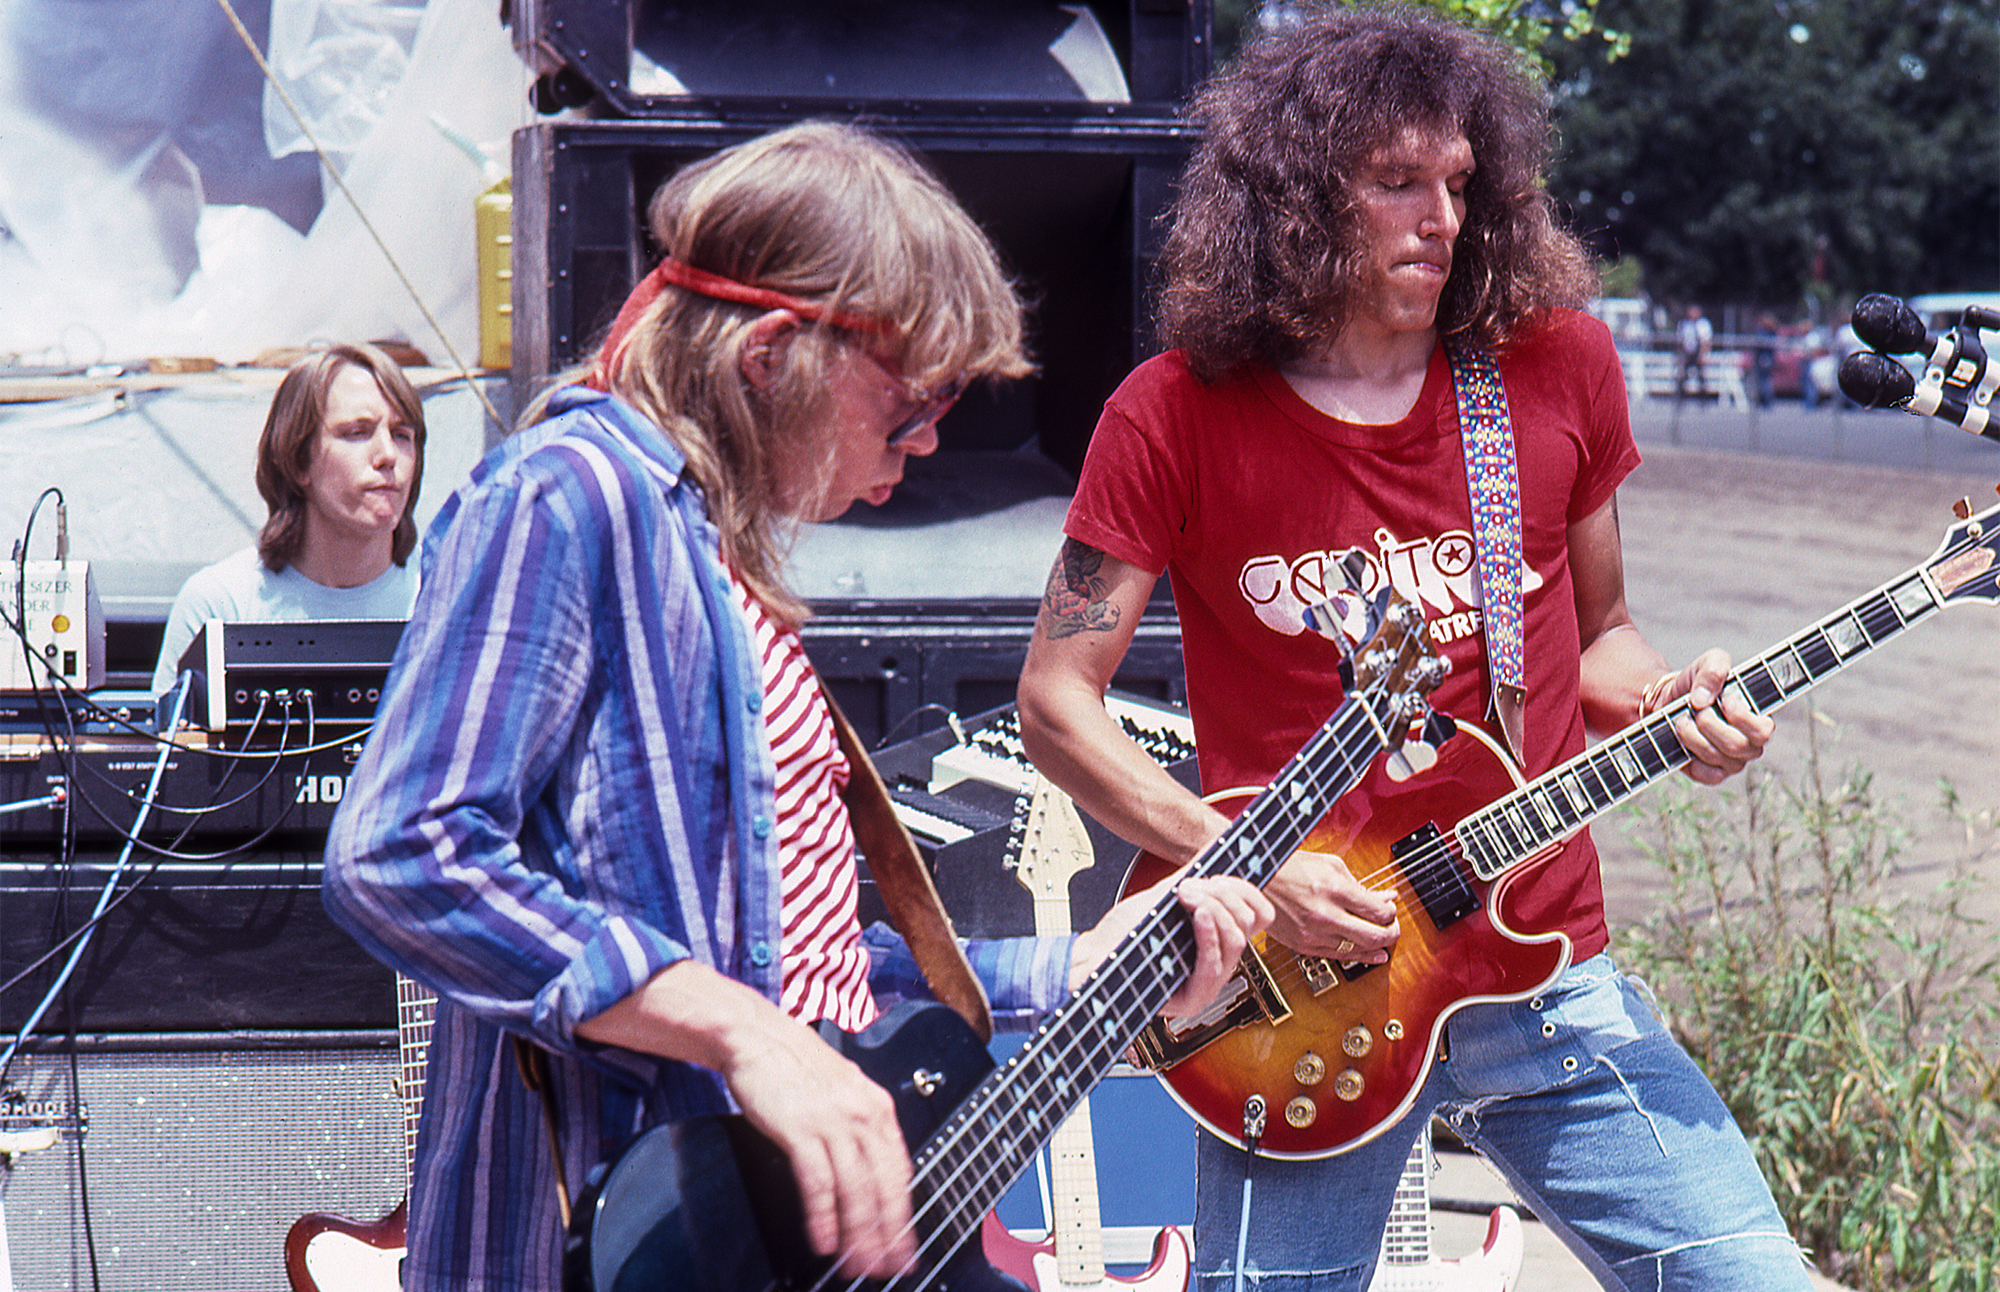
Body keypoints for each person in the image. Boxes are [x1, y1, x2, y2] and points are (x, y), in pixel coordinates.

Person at [319, 121, 1272, 1292]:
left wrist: (1070, 964)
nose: (924, 445)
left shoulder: (714, 558)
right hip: (648, 1233)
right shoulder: (566, 496)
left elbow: (801, 969)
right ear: (770, 353)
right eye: (911, 402)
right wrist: (740, 1031)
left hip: (780, 1227)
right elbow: (398, 854)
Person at [1015, 8, 1811, 1291]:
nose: (1437, 216)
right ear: (1292, 198)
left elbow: (1600, 637)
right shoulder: (1170, 412)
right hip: (1304, 994)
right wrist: (1244, 866)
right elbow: (1057, 700)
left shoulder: (1555, 369)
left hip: (1543, 969)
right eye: (1394, 182)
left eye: (1456, 183)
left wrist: (1674, 703)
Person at [149, 341, 425, 696]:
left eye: (402, 435)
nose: (388, 455)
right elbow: (173, 749)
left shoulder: (448, 597)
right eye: (357, 432)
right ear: (297, 461)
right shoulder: (221, 605)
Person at [1675, 302, 1712, 399]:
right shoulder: (1684, 324)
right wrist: (1681, 355)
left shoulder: (1703, 324)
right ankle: (1680, 397)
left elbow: (1706, 341)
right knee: (1683, 376)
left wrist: (1702, 355)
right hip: (1688, 352)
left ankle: (1704, 398)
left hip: (1698, 352)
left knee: (1701, 377)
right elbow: (1680, 341)